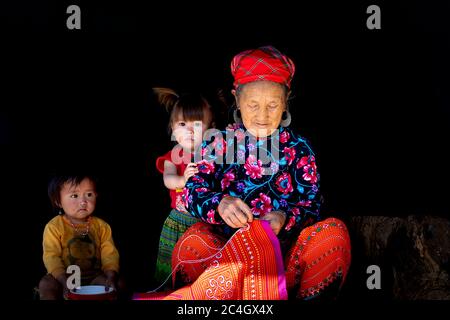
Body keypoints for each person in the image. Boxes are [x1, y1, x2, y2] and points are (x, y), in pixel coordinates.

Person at [135, 46, 351, 301]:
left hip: (285, 262)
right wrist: (220, 204)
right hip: (226, 264)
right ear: (236, 98)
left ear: (286, 100)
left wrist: (285, 217)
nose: (262, 116)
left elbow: (312, 203)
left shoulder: (299, 148)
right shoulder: (218, 144)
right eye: (253, 105)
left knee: (333, 233)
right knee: (192, 243)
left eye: (272, 105)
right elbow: (192, 190)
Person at [153, 88, 215, 285]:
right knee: (172, 272)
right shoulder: (173, 157)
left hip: (206, 225)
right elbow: (169, 180)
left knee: (201, 275)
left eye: (196, 124)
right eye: (182, 124)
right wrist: (183, 180)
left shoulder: (215, 155)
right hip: (179, 222)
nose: (189, 130)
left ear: (210, 129)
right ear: (172, 127)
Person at [38, 175, 122, 300]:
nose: (83, 201)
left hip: (94, 277)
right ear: (58, 201)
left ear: (96, 196)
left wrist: (110, 276)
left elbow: (109, 254)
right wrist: (63, 280)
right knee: (46, 284)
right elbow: (51, 256)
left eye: (89, 194)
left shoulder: (101, 226)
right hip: (63, 278)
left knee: (119, 284)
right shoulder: (54, 227)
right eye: (74, 196)